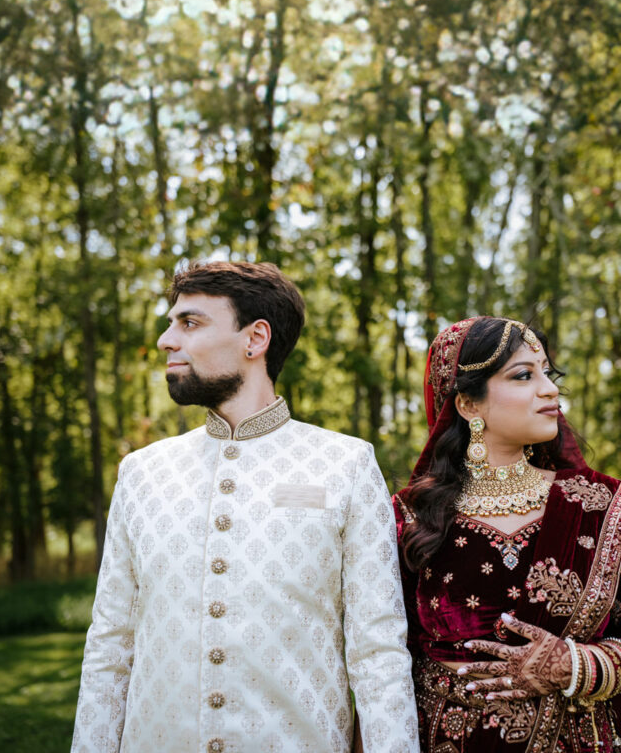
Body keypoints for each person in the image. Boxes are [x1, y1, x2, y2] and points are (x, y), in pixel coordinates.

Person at [71, 261, 418, 753]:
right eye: (172, 323)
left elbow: (378, 655)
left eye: (189, 323)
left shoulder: (346, 465)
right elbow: (109, 648)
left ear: (255, 339)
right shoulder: (141, 473)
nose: (166, 340)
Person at [393, 316, 621, 753]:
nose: (550, 389)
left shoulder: (599, 506)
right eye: (524, 375)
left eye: (549, 372)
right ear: (468, 404)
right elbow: (383, 656)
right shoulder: (411, 517)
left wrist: (582, 665)